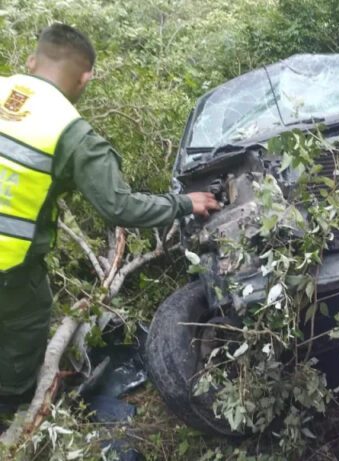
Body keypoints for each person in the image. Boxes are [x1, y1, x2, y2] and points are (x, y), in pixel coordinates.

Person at [0, 24, 219, 412]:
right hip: (10, 270)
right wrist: (184, 203)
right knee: (23, 333)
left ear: (32, 60)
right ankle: (13, 415)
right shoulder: (72, 134)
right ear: (87, 78)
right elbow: (120, 208)